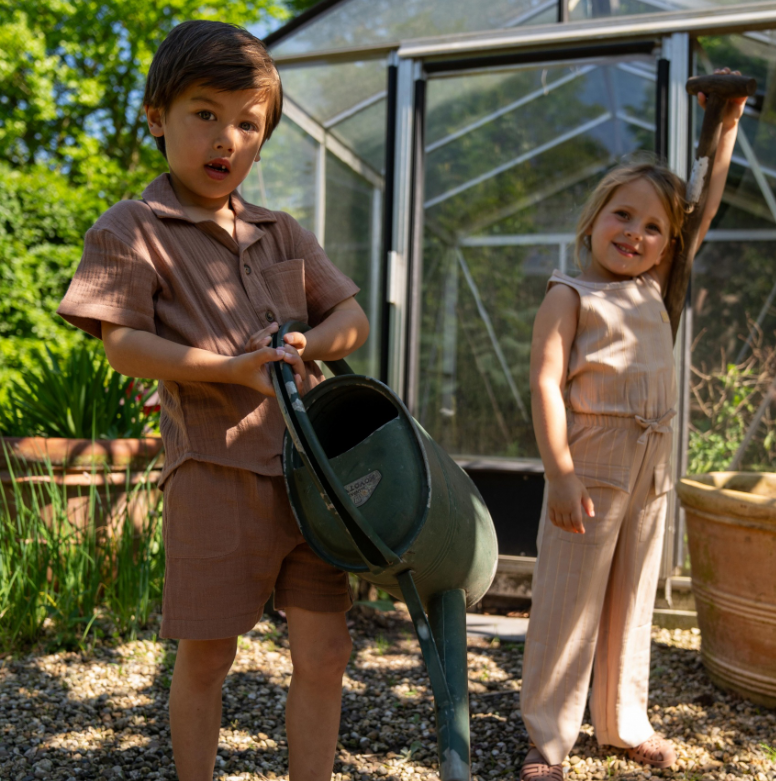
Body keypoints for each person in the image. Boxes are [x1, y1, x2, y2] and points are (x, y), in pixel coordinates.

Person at [56, 21, 369, 781]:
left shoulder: (280, 231)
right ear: (157, 115)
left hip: (311, 479)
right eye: (205, 113)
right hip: (213, 473)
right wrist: (231, 370)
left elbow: (350, 322)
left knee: (327, 651)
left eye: (247, 123)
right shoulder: (132, 229)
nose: (225, 139)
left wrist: (309, 346)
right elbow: (123, 344)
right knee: (209, 653)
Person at [520, 72, 745, 780]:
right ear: (594, 219)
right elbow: (545, 383)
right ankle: (547, 740)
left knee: (633, 594)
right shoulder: (570, 293)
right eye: (623, 216)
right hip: (589, 463)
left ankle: (622, 721)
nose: (636, 234)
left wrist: (727, 121)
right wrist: (558, 470)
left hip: (650, 462)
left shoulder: (656, 288)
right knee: (567, 601)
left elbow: (701, 205)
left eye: (652, 227)